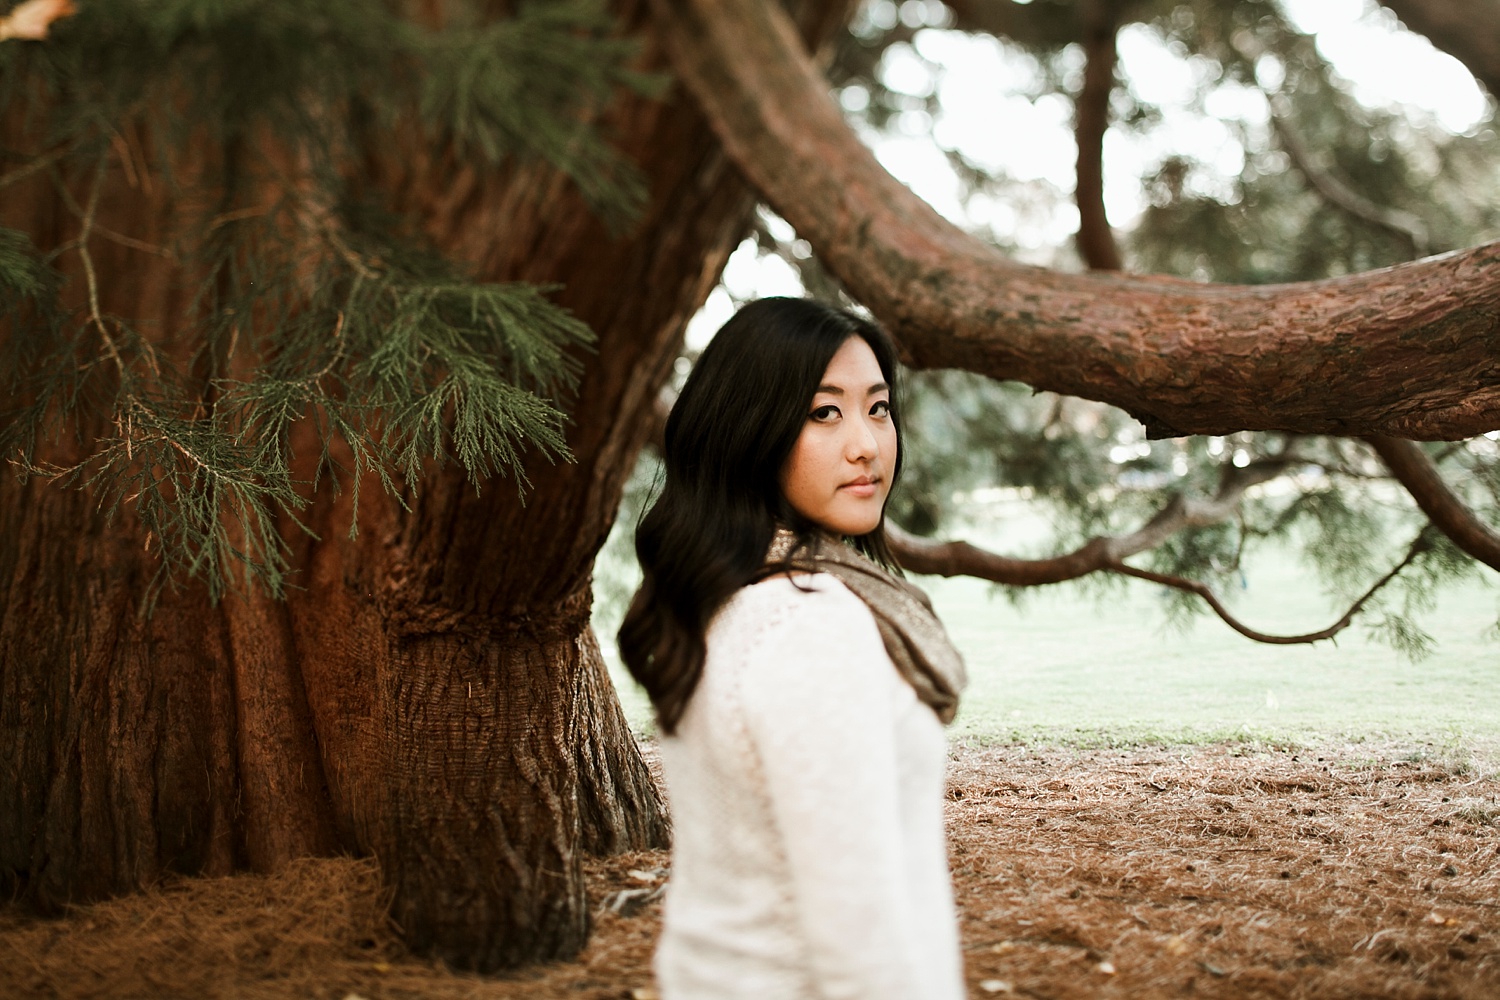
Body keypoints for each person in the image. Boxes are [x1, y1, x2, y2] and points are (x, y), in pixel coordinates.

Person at [619, 297, 968, 1000]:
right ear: (750, 431)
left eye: (877, 407)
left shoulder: (729, 599)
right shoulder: (810, 625)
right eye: (824, 413)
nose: (867, 444)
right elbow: (860, 939)